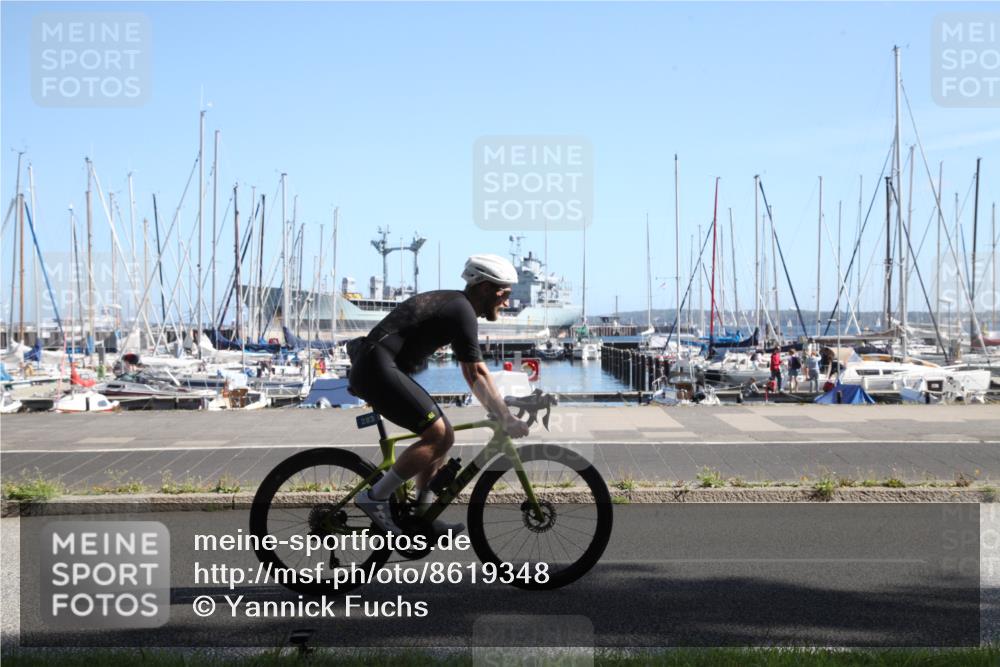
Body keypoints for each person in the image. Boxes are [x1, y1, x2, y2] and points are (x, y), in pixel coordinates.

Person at [348, 254, 530, 535]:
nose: (507, 302)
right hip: (377, 369)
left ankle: (422, 516)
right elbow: (477, 374)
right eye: (504, 294)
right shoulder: (462, 310)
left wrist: (499, 410)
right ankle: (376, 497)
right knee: (438, 435)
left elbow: (472, 373)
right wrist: (505, 417)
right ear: (484, 288)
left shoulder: (455, 306)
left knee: (444, 436)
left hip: (377, 367)